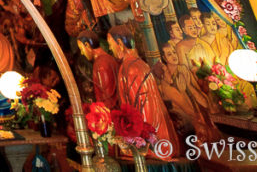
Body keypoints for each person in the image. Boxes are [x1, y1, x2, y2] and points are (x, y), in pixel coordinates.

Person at [108, 25, 181, 160]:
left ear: (119, 43)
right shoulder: (138, 64)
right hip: (155, 133)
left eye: (110, 44)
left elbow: (142, 106)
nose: (110, 49)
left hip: (149, 133)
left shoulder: (130, 68)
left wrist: (142, 140)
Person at [76, 31, 118, 108]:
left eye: (81, 49)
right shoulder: (105, 59)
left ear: (87, 45)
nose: (82, 53)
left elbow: (107, 97)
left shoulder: (101, 65)